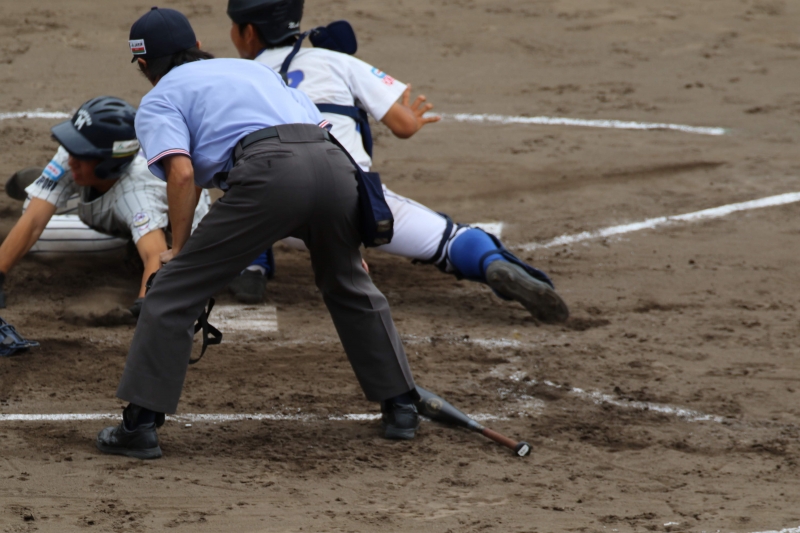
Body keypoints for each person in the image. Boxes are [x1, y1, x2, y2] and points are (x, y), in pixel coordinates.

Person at [96, 7, 421, 460]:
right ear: (197, 46)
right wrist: (345, 237)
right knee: (349, 281)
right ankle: (402, 406)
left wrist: (178, 251)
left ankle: (140, 425)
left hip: (268, 174)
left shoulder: (160, 97)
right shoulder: (255, 71)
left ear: (145, 64)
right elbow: (322, 137)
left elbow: (182, 173)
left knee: (171, 290)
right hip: (334, 167)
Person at [225, 0, 570, 324]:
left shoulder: (240, 79)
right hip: (355, 204)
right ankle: (489, 261)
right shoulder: (335, 61)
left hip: (278, 214)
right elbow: (402, 125)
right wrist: (413, 120)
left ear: (249, 32)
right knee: (448, 239)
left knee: (243, 184)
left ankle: (251, 267)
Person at [0, 96, 210, 314]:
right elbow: (34, 220)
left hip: (164, 226)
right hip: (112, 190)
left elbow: (154, 256)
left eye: (80, 155)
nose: (70, 159)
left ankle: (127, 245)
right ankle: (54, 184)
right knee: (33, 208)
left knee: (42, 237)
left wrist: (145, 302)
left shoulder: (138, 196)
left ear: (109, 164)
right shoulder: (82, 153)